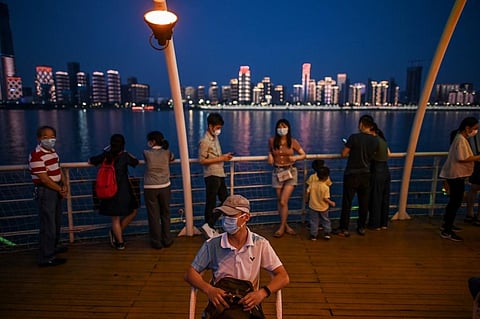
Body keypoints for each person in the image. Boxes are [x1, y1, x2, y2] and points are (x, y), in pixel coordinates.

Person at [184, 194, 290, 318]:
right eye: (224, 215)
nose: (226, 219)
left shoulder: (260, 244)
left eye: (231, 215)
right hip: (222, 305)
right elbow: (190, 274)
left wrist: (262, 293)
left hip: (247, 304)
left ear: (246, 217)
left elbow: (283, 277)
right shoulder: (212, 244)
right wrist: (209, 290)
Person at [89, 134, 139, 250]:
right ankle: (116, 233)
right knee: (133, 211)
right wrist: (127, 153)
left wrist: (105, 152)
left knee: (115, 218)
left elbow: (91, 160)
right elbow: (135, 162)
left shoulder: (106, 156)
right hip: (123, 191)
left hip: (108, 190)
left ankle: (120, 242)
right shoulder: (125, 156)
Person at [29, 125, 68, 267]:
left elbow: (58, 169)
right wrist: (59, 188)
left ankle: (52, 247)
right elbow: (44, 179)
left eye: (52, 137)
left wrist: (64, 185)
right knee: (48, 224)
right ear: (39, 138)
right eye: (46, 137)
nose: (50, 140)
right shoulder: (36, 155)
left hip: (56, 189)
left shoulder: (52, 152)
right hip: (46, 191)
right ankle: (46, 257)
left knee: (56, 222)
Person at [336, 114, 379, 237]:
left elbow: (344, 153)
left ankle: (344, 228)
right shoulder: (375, 140)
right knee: (363, 202)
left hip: (352, 174)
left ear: (361, 125)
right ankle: (361, 227)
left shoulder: (354, 138)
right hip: (366, 174)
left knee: (347, 202)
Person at [439, 117, 480, 241]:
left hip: (455, 174)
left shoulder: (459, 138)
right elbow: (462, 157)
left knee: (453, 202)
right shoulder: (460, 140)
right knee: (455, 202)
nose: (475, 131)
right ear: (467, 128)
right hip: (456, 175)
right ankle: (447, 230)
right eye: (475, 129)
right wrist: (477, 158)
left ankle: (447, 224)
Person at [268, 118, 306, 237]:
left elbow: (303, 154)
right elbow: (270, 151)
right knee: (280, 201)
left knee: (284, 200)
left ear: (288, 128)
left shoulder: (293, 141)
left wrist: (295, 158)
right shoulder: (272, 141)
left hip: (290, 171)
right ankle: (285, 225)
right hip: (277, 171)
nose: (282, 129)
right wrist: (270, 156)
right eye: (280, 127)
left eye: (284, 127)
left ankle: (281, 227)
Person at [198, 112, 234, 239]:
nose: (219, 130)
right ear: (210, 126)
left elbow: (215, 156)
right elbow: (202, 160)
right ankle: (209, 226)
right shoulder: (204, 141)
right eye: (217, 127)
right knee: (211, 202)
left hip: (220, 173)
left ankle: (209, 225)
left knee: (225, 200)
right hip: (211, 174)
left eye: (220, 128)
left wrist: (223, 157)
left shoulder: (214, 138)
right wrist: (221, 158)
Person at [143, 131, 175, 249]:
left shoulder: (146, 153)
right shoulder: (167, 153)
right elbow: (172, 158)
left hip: (150, 187)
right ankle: (167, 239)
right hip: (165, 186)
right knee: (165, 214)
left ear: (152, 141)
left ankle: (156, 241)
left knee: (153, 215)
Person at [367, 124, 391, 230]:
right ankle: (383, 223)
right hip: (385, 170)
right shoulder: (383, 141)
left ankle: (374, 223)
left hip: (376, 170)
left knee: (375, 198)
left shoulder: (374, 141)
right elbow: (389, 154)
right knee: (384, 198)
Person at [306, 160, 335, 240]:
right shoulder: (325, 187)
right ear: (326, 177)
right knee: (325, 219)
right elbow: (325, 198)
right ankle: (327, 232)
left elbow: (307, 191)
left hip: (313, 205)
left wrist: (307, 199)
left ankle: (313, 235)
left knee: (313, 221)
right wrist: (331, 203)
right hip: (323, 207)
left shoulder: (313, 182)